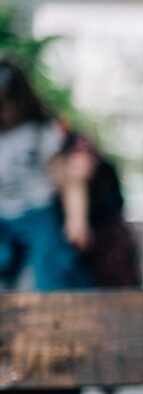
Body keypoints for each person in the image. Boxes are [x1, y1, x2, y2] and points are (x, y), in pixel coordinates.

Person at [0, 58, 93, 290]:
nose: (6, 111)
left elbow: (68, 181)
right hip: (3, 216)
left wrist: (76, 220)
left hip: (38, 214)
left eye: (10, 102)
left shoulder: (41, 132)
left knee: (49, 271)